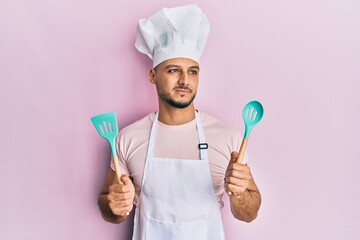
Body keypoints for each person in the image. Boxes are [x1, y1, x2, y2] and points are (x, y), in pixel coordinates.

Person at [98, 4, 261, 240]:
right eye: (174, 70)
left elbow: (249, 212)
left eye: (193, 72)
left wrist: (239, 195)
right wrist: (115, 206)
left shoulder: (229, 138)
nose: (185, 80)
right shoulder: (127, 138)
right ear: (153, 75)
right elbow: (108, 206)